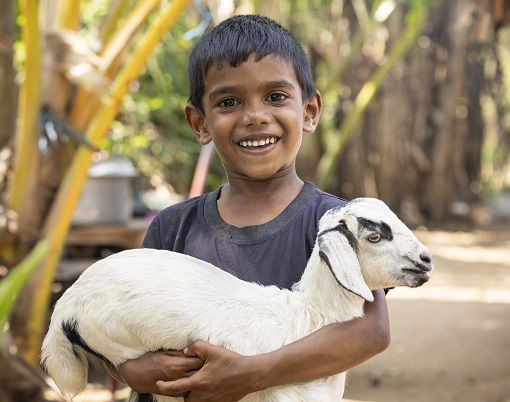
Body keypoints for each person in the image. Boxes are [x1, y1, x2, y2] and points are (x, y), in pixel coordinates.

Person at [113, 14, 390, 402]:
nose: (254, 116)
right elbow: (121, 321)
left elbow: (369, 331)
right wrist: (128, 368)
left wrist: (249, 375)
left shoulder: (337, 224)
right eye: (228, 102)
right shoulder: (173, 227)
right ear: (200, 123)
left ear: (309, 111)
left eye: (276, 96)